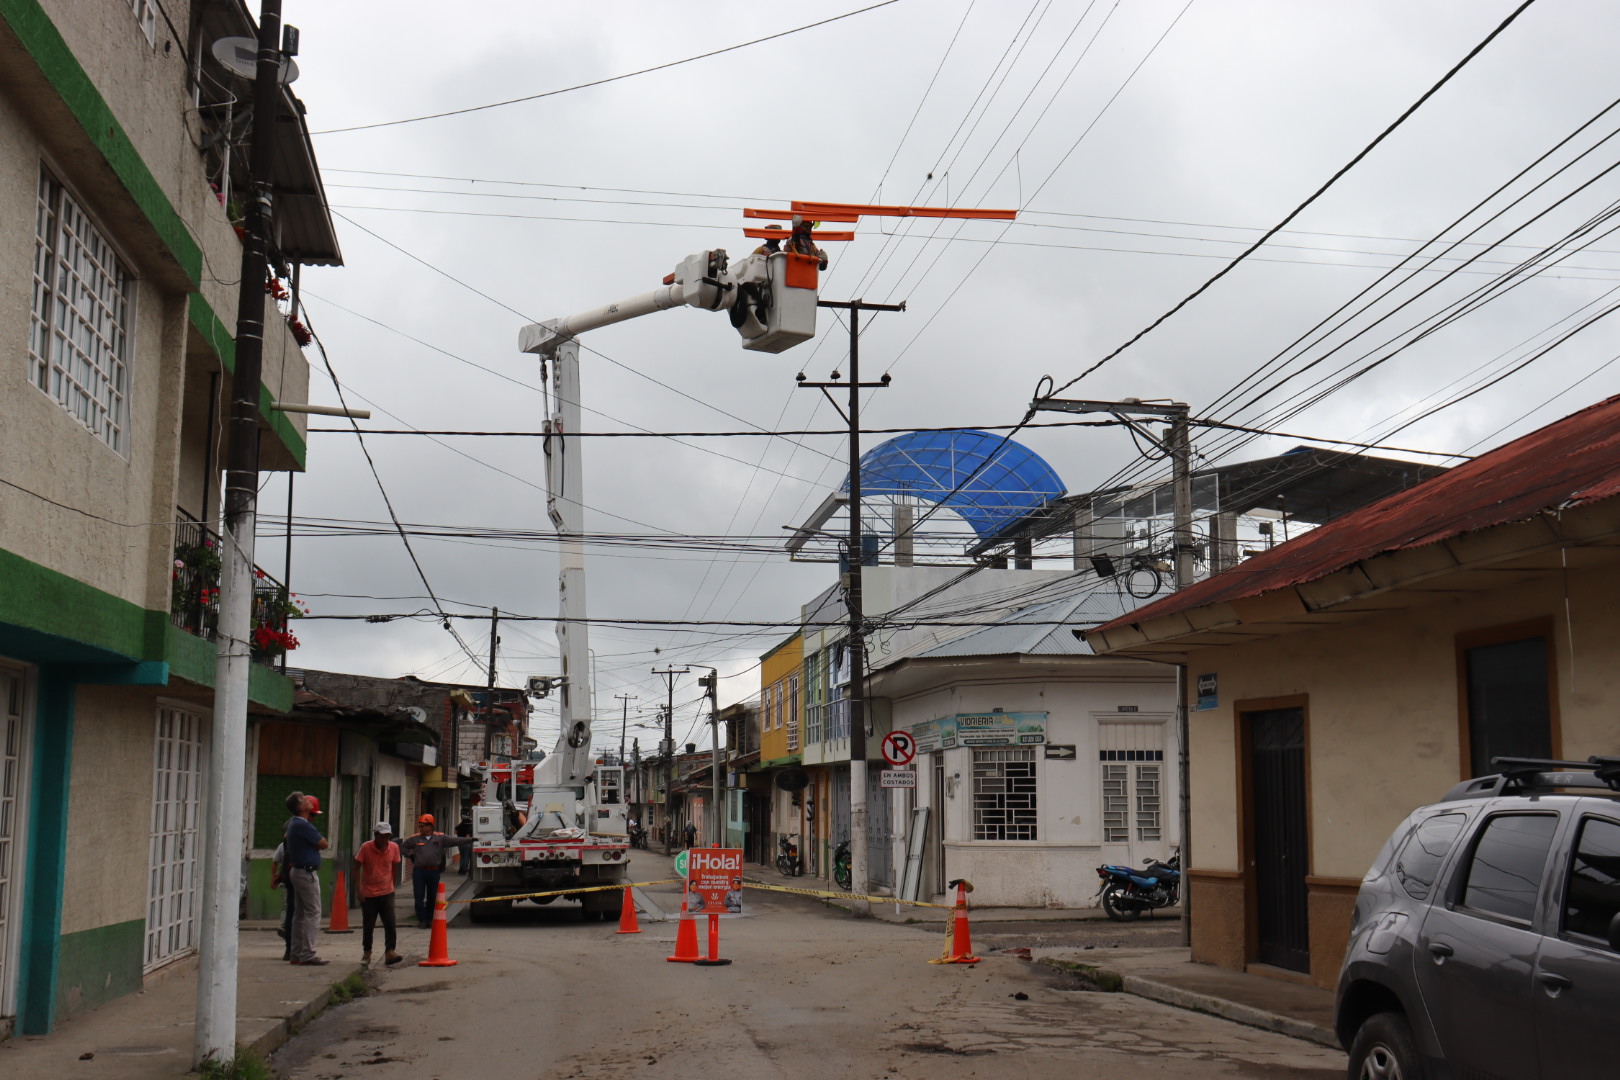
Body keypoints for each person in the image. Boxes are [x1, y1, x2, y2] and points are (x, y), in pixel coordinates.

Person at [400, 814, 475, 928]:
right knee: (418, 896)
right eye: (419, 826)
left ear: (430, 826)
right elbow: (403, 847)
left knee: (432, 897)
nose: (420, 829)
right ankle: (422, 919)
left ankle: (430, 919)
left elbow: (455, 840)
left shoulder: (440, 838)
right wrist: (410, 855)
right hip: (419, 872)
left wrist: (471, 839)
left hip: (434, 872)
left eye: (422, 826)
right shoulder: (415, 838)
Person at [284, 793, 329, 965]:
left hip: (297, 871)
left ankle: (296, 953)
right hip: (306, 872)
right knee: (313, 912)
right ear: (301, 808)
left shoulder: (294, 824)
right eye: (304, 800)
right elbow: (323, 843)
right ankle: (308, 953)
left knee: (300, 914)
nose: (309, 801)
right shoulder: (303, 825)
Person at [353, 821, 403, 966]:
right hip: (369, 893)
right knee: (368, 925)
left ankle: (390, 952)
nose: (385, 840)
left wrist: (392, 885)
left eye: (387, 836)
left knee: (390, 923)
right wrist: (359, 890)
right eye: (382, 836)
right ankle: (367, 952)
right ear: (375, 835)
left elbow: (394, 866)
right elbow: (356, 868)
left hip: (387, 891)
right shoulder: (366, 847)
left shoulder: (393, 847)